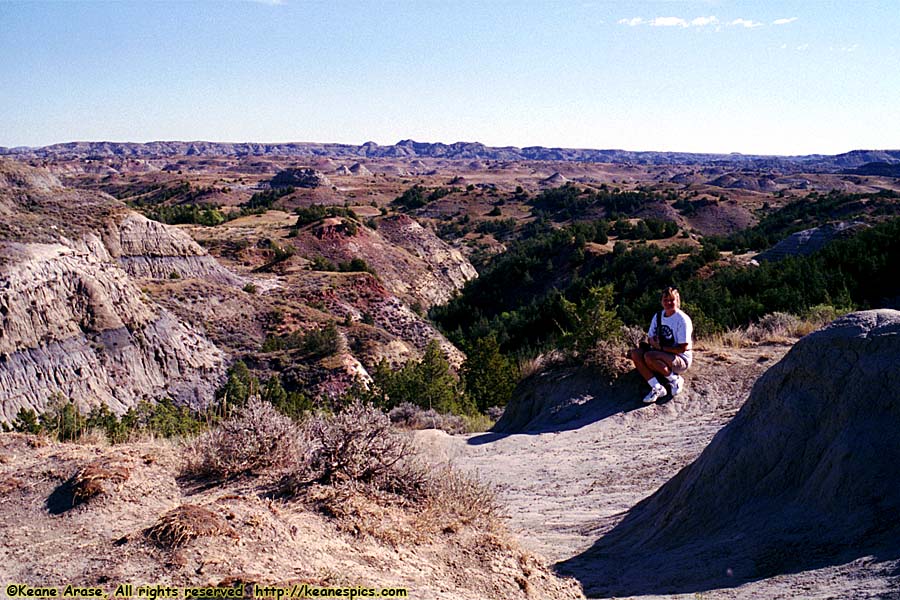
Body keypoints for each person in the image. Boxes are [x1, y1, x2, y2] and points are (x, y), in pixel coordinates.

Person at [628, 286, 693, 404]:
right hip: (661, 354)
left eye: (672, 300)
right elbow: (650, 337)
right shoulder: (658, 317)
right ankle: (657, 387)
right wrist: (654, 344)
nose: (668, 303)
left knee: (649, 356)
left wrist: (660, 347)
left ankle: (675, 380)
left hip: (680, 359)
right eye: (665, 300)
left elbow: (682, 348)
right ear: (661, 301)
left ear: (678, 301)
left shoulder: (682, 320)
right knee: (636, 354)